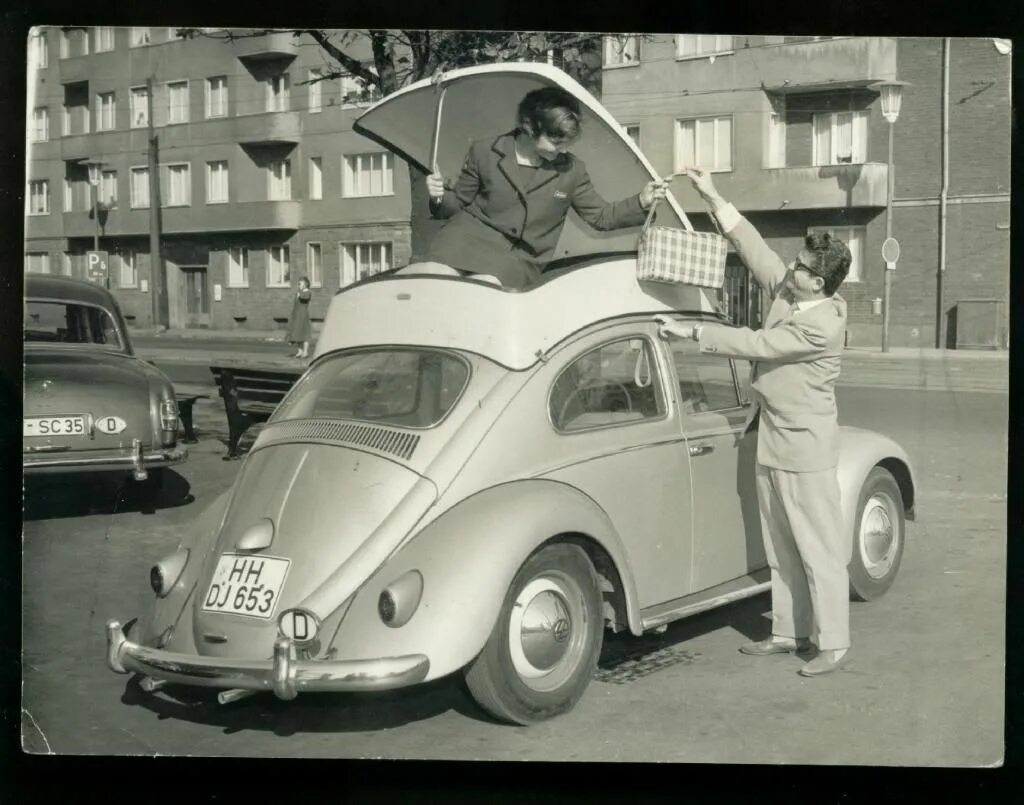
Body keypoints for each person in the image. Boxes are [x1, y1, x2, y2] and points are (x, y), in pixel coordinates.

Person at [657, 166, 852, 678]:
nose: (790, 267)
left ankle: (833, 643)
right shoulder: (792, 292)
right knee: (781, 544)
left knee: (819, 548)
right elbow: (756, 250)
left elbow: (759, 345)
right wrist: (714, 197)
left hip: (805, 448)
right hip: (772, 437)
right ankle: (788, 632)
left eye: (802, 266)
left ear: (820, 280)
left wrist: (693, 331)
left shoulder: (823, 324)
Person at [405, 86, 668, 289]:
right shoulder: (484, 150)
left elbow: (600, 217)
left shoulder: (572, 169)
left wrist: (641, 201)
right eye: (556, 142)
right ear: (530, 128)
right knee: (429, 281)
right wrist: (438, 197)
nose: (563, 150)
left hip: (517, 257)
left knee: (482, 291)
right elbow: (458, 203)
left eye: (567, 143)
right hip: (465, 239)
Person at [285, 276, 312, 359]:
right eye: (298, 283)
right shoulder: (298, 293)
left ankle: (305, 352)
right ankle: (300, 351)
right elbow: (295, 304)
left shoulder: (307, 292)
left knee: (304, 334)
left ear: (305, 284)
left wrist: (300, 293)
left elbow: (305, 298)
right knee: (298, 333)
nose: (298, 285)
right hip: (297, 315)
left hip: (303, 315)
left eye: (300, 283)